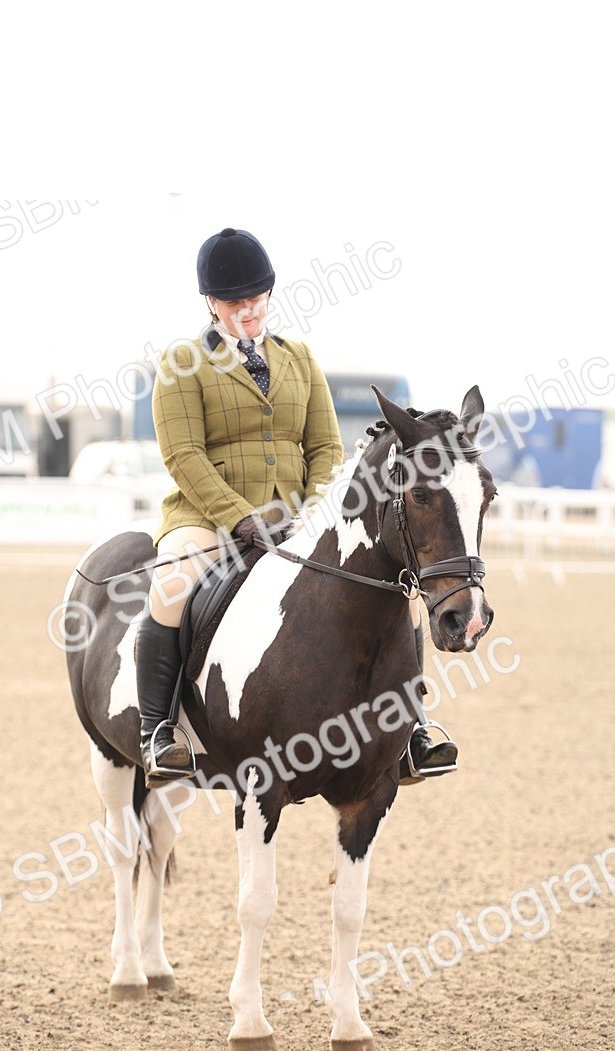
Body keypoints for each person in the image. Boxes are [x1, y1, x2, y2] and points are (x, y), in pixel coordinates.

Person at [134, 226, 457, 788]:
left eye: (257, 299)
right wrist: (240, 517)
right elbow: (183, 454)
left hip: (298, 521)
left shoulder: (299, 358)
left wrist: (312, 515)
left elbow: (327, 448)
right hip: (209, 521)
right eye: (236, 303)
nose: (249, 312)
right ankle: (158, 728)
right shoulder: (181, 362)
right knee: (172, 587)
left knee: (396, 591)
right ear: (210, 302)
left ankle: (413, 728)